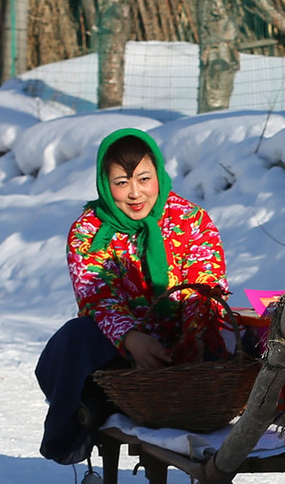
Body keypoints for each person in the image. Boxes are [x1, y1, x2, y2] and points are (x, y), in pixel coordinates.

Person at [35, 127, 233, 462]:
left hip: (185, 348)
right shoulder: (89, 230)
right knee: (75, 337)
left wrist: (195, 337)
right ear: (104, 183)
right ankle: (87, 413)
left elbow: (206, 285)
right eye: (121, 182)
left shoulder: (191, 220)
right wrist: (131, 338)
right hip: (120, 351)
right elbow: (96, 296)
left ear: (158, 173)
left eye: (144, 179)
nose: (135, 193)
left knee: (247, 336)